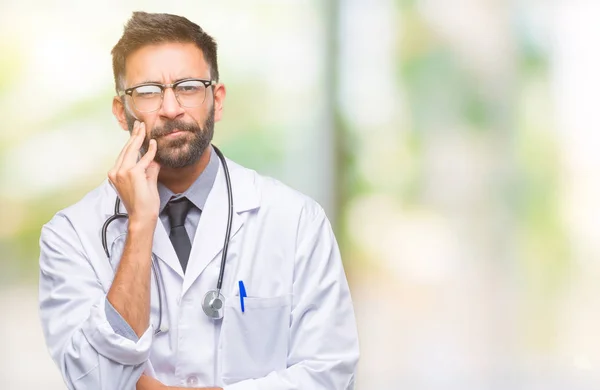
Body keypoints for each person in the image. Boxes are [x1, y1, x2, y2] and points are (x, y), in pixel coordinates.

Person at [38, 11, 359, 390]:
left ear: (216, 100)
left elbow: (330, 373)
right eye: (148, 92)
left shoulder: (296, 220)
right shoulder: (70, 236)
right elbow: (92, 380)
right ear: (121, 113)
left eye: (188, 87)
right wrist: (140, 227)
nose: (171, 108)